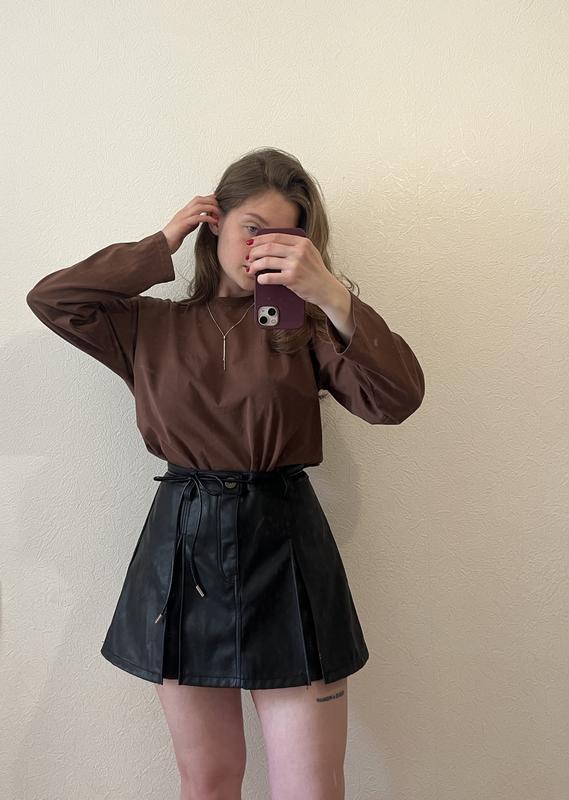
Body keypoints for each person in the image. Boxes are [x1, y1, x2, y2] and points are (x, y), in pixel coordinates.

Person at [26, 146, 425, 800]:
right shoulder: (151, 325)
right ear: (215, 223)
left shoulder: (301, 327)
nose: (263, 249)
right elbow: (53, 299)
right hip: (182, 552)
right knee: (208, 780)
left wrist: (327, 291)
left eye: (285, 236)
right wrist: (162, 243)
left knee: (310, 787)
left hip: (286, 547)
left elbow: (397, 399)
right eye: (252, 228)